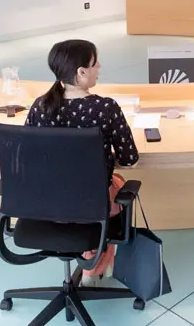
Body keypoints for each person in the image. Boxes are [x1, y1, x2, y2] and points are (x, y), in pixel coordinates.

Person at [25, 39, 140, 286]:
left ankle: (95, 263)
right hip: (91, 205)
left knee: (106, 187)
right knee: (116, 186)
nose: (99, 66)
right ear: (81, 72)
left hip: (46, 205)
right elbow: (129, 158)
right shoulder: (105, 108)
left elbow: (28, 157)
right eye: (94, 63)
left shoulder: (40, 105)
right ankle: (97, 262)